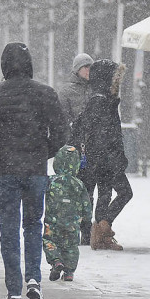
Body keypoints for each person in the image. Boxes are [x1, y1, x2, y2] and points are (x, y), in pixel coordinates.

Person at [0, 42, 68, 299]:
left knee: (9, 230)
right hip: (36, 171)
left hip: (6, 170)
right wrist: (43, 152)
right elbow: (62, 132)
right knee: (33, 225)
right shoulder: (46, 93)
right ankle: (33, 280)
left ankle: (14, 290)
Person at [72, 59, 131, 251]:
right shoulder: (101, 102)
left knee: (104, 194)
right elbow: (107, 134)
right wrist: (115, 157)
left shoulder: (99, 100)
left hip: (100, 159)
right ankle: (103, 226)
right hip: (106, 160)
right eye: (115, 78)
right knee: (124, 192)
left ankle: (100, 234)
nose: (117, 83)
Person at [58, 52, 94, 244]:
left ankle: (87, 231)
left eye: (90, 67)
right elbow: (62, 120)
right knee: (72, 191)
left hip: (93, 148)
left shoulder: (97, 89)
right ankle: (72, 229)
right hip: (73, 148)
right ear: (77, 69)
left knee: (88, 191)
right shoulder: (66, 91)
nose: (88, 71)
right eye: (84, 67)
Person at [42, 145, 91, 282]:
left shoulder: (51, 181)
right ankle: (69, 272)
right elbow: (86, 204)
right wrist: (87, 219)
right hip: (73, 223)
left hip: (52, 221)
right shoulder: (79, 184)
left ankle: (56, 261)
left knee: (49, 241)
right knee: (71, 246)